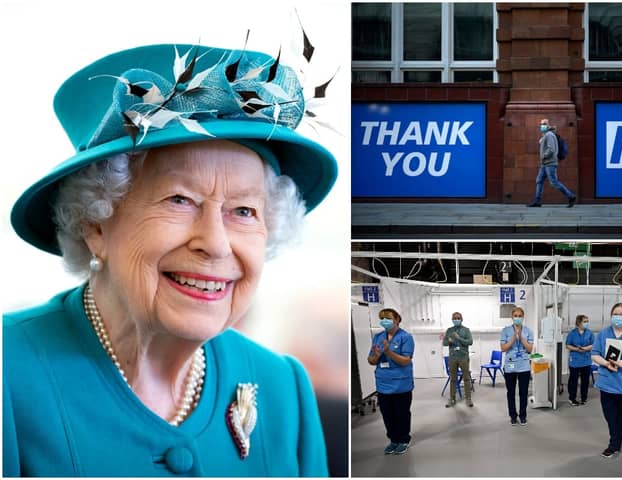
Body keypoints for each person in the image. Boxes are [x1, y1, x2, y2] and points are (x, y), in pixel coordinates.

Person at [3, 41, 339, 477]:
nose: (216, 244)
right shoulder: (7, 372)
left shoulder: (282, 388)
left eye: (243, 211)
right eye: (180, 200)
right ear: (95, 224)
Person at [591, 303, 622, 466]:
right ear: (611, 316)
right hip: (607, 384)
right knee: (611, 418)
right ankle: (614, 445)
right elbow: (595, 353)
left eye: (621, 314)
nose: (617, 317)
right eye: (615, 314)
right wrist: (605, 363)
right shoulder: (604, 333)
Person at [367, 308, 415, 456]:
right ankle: (393, 440)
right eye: (381, 318)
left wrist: (388, 352)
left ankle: (404, 440)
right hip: (383, 384)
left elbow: (406, 361)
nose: (384, 321)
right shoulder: (378, 337)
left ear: (397, 319)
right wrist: (376, 356)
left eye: (387, 317)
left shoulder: (405, 337)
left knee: (401, 414)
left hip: (401, 384)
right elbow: (371, 360)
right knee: (387, 414)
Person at [527, 118, 576, 208]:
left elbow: (551, 149)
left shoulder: (549, 135)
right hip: (545, 163)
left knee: (554, 182)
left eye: (544, 124)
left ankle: (571, 196)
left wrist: (543, 156)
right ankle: (537, 201)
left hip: (550, 163)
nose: (542, 126)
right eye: (541, 124)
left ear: (548, 125)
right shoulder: (546, 135)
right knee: (539, 180)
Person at [500, 306, 534, 426]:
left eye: (520, 316)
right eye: (516, 316)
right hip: (510, 366)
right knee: (511, 392)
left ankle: (523, 415)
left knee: (523, 392)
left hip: (524, 365)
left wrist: (522, 338)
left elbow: (530, 349)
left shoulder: (528, 331)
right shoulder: (505, 331)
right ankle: (513, 416)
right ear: (512, 317)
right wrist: (514, 337)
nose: (518, 318)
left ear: (523, 317)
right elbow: (503, 348)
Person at [442, 312, 474, 407]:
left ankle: (468, 398)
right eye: (454, 318)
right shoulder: (449, 330)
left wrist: (459, 338)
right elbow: (444, 343)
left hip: (463, 357)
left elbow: (470, 342)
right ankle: (452, 398)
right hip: (453, 357)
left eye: (458, 318)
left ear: (461, 319)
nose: (456, 319)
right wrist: (449, 341)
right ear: (452, 319)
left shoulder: (466, 330)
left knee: (466, 378)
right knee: (453, 379)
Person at [565, 314, 595, 406]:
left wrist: (586, 348)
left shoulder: (590, 333)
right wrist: (576, 349)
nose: (586, 323)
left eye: (587, 321)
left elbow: (593, 344)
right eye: (585, 321)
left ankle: (584, 397)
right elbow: (567, 345)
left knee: (585, 380)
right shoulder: (572, 333)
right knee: (573, 380)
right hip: (575, 360)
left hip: (586, 360)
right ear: (579, 322)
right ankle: (572, 398)